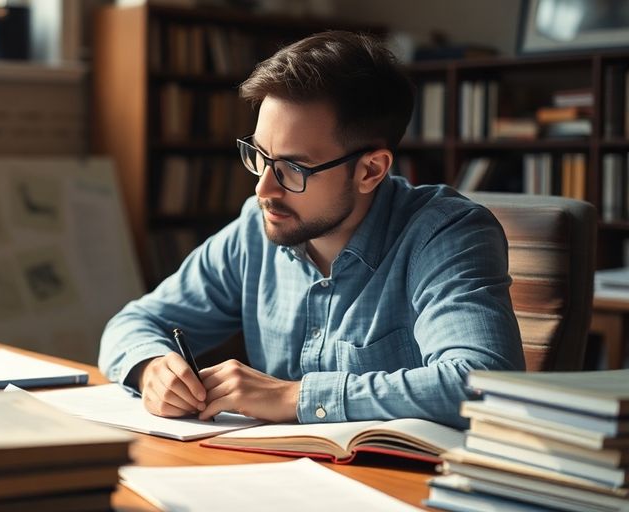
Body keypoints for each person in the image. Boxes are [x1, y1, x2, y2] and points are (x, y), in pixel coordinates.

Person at [98, 30, 524, 429]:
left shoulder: (446, 233)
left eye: (293, 168)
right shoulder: (256, 228)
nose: (263, 187)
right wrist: (151, 367)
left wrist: (295, 398)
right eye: (259, 156)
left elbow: (484, 385)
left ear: (370, 170)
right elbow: (133, 323)